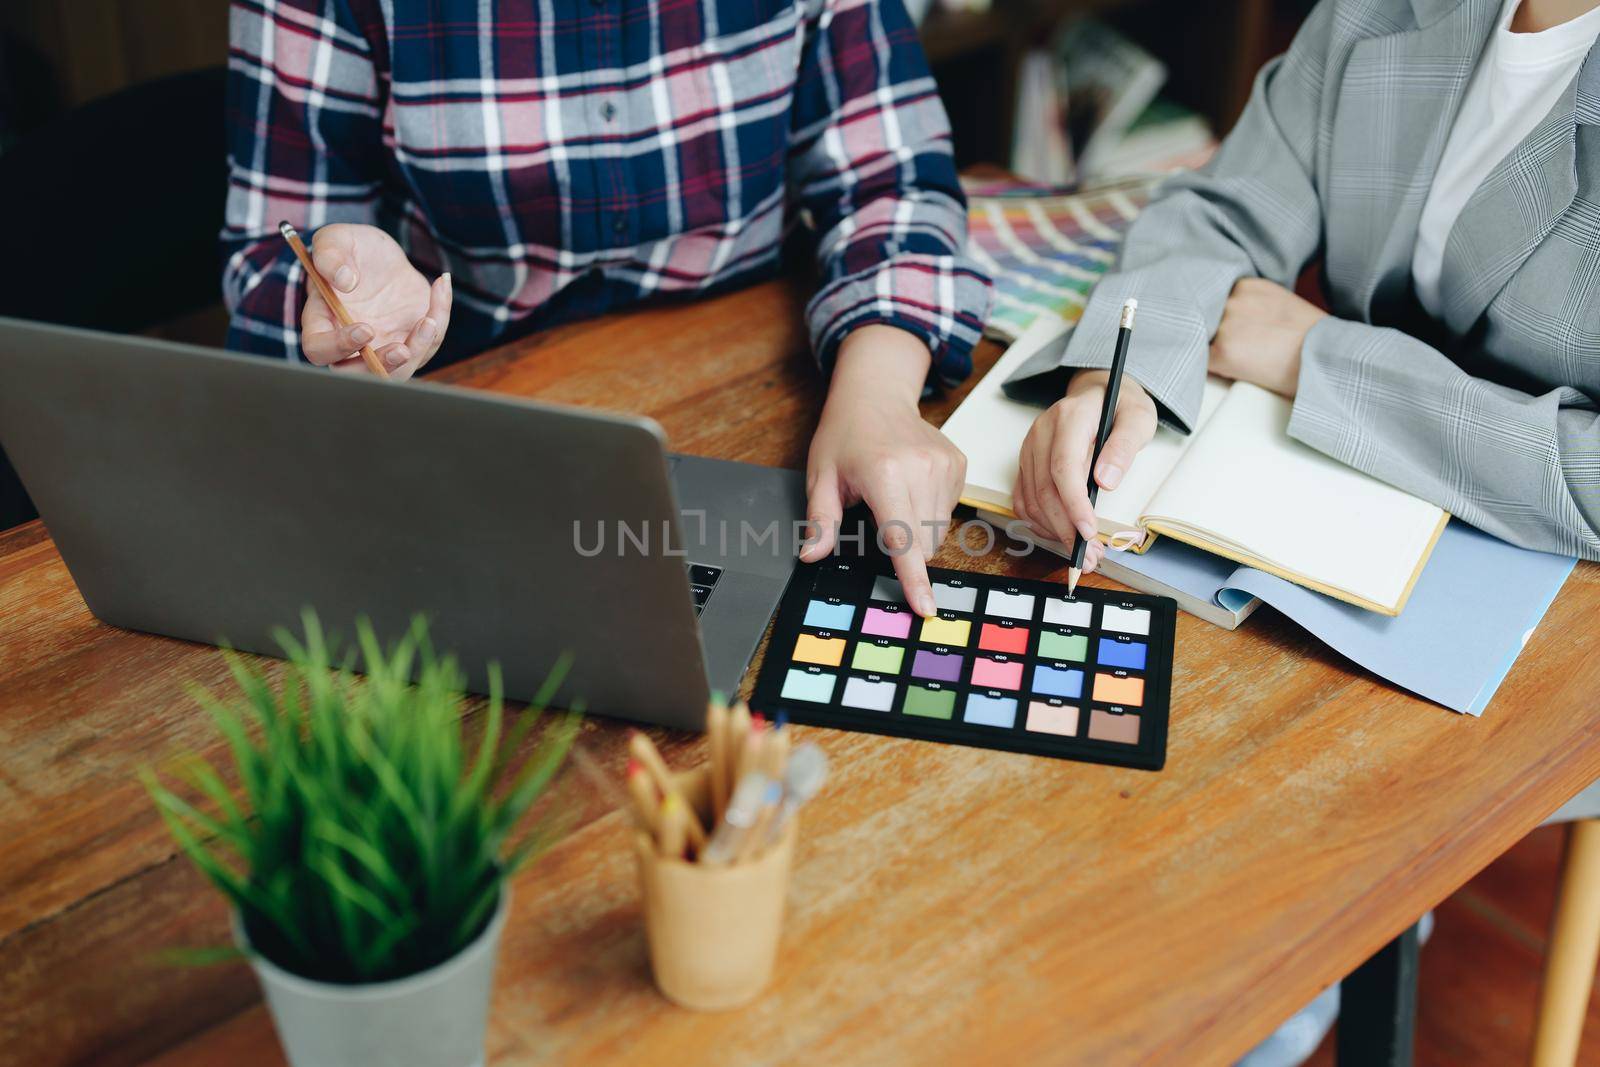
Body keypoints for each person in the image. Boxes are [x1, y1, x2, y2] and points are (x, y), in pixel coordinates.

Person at [222, 0, 992, 617]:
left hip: (761, 395)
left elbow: (895, 185)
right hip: (464, 444)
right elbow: (269, 259)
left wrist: (879, 394)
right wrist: (341, 300)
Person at [1014, 0, 1600, 575]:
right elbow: (1227, 210)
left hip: (1543, 578)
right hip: (1313, 495)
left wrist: (1317, 358)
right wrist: (1122, 379)